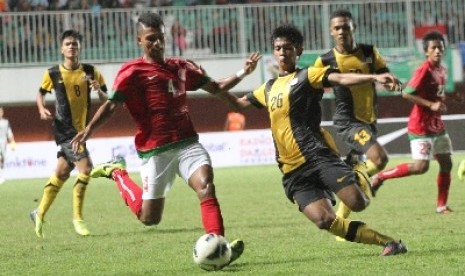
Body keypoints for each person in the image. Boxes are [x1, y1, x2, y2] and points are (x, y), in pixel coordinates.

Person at [70, 12, 261, 269]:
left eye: (160, 37)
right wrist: (89, 129)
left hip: (187, 144)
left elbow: (216, 87)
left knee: (206, 187)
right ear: (139, 40)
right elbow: (112, 106)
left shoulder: (182, 67)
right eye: (151, 39)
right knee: (150, 218)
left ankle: (219, 248)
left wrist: (243, 72)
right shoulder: (131, 72)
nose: (157, 43)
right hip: (155, 152)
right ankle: (117, 173)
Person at [219, 24, 407, 256]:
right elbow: (236, 104)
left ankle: (357, 169)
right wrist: (241, 74)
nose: (282, 53)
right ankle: (389, 243)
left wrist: (375, 77)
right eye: (277, 48)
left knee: (358, 203)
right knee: (324, 220)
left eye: (287, 48)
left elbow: (340, 77)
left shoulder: (307, 75)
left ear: (298, 50)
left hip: (317, 157)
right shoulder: (266, 88)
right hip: (291, 170)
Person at [313, 9, 392, 225]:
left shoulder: (368, 52)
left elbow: (386, 74)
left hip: (369, 120)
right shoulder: (325, 60)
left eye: (345, 27)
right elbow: (309, 85)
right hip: (348, 122)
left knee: (358, 169)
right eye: (337, 28)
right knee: (380, 158)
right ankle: (349, 178)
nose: (341, 31)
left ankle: (340, 223)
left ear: (353, 28)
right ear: (331, 31)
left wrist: (390, 80)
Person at [30, 29, 109, 238]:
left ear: (80, 47)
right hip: (65, 130)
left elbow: (106, 101)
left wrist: (97, 90)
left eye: (75, 43)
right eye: (68, 44)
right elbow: (40, 93)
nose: (72, 46)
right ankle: (78, 219)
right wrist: (41, 108)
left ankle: (39, 213)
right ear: (61, 49)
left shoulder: (92, 71)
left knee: (62, 173)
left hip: (82, 130)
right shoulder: (53, 73)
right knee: (86, 168)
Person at [371, 31, 461, 214]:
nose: (437, 50)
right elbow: (406, 93)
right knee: (421, 167)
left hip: (436, 125)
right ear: (426, 51)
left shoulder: (442, 69)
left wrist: (446, 99)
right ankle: (380, 177)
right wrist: (431, 104)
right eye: (433, 48)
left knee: (446, 163)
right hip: (420, 126)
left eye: (440, 47)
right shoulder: (423, 70)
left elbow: (436, 94)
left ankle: (441, 206)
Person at [0, 107, 16, 184]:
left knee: (2, 159)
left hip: (3, 144)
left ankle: (1, 176)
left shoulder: (5, 122)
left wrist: (12, 142)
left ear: (2, 113)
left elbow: (9, 133)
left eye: (1, 112)